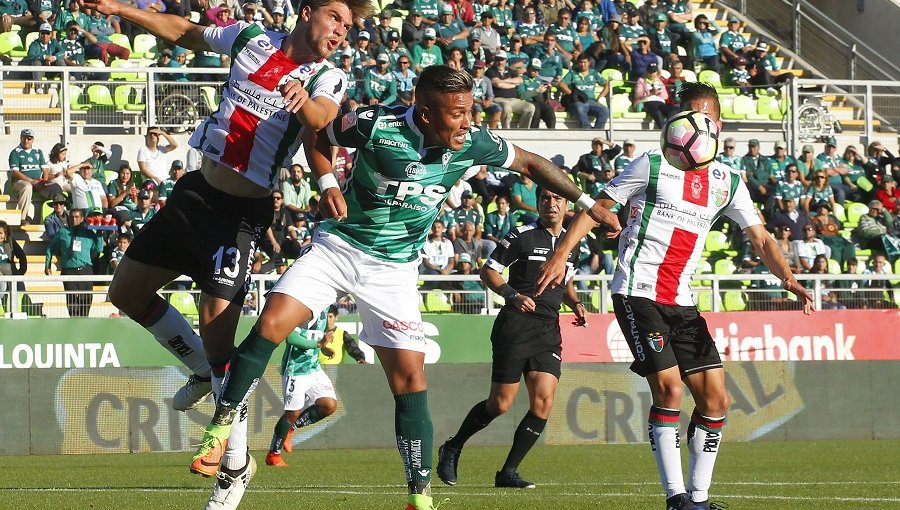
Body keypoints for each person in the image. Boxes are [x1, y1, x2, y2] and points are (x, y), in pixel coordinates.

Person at [193, 65, 620, 510]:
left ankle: (420, 496)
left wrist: (588, 204)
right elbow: (316, 131)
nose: (466, 122)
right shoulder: (377, 124)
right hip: (339, 246)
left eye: (469, 110)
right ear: (424, 111)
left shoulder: (475, 141)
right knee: (270, 326)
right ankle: (221, 428)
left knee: (410, 381)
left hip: (394, 271)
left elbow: (532, 163)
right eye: (456, 114)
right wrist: (325, 182)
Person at [82, 0, 371, 508]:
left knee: (222, 344)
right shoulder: (249, 39)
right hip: (194, 193)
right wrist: (114, 7)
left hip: (240, 216)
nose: (341, 32)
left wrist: (303, 102)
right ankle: (196, 366)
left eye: (349, 26)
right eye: (335, 18)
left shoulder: (326, 76)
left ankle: (233, 468)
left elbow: (321, 118)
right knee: (125, 292)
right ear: (307, 12)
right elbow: (184, 31)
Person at [535, 82, 812, 510]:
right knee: (669, 390)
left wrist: (788, 278)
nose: (693, 125)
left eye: (704, 119)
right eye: (686, 118)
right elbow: (596, 209)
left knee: (716, 399)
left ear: (717, 126)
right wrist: (561, 255)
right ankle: (675, 497)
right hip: (637, 292)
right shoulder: (650, 164)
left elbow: (760, 239)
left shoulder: (730, 181)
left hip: (682, 301)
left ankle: (698, 499)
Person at [437, 187, 587, 489]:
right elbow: (488, 272)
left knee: (543, 402)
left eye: (557, 199)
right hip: (516, 325)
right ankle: (452, 447)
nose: (551, 204)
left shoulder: (573, 244)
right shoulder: (522, 235)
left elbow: (565, 279)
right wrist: (512, 295)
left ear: (567, 204)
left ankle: (508, 472)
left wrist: (576, 303)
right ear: (538, 202)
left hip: (548, 329)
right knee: (501, 403)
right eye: (545, 198)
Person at [265, 310, 338, 467]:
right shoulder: (300, 310)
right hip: (295, 370)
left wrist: (322, 348)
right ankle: (273, 455)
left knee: (329, 405)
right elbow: (291, 338)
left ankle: (291, 428)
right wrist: (318, 344)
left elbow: (317, 336)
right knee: (292, 413)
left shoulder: (324, 311)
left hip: (314, 368)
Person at [45, 208, 104, 317]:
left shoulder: (88, 232)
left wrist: (100, 233)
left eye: (77, 217)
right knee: (71, 299)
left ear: (82, 218)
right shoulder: (63, 232)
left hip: (85, 269)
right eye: (72, 217)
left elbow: (99, 249)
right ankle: (74, 322)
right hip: (69, 270)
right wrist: (47, 264)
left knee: (86, 299)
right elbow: (50, 248)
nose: (74, 219)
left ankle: (84, 321)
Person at [8, 128, 54, 225]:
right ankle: (23, 218)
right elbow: (15, 172)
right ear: (20, 138)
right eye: (24, 138)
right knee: (27, 187)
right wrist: (31, 181)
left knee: (55, 187)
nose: (26, 141)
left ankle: (54, 217)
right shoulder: (15, 152)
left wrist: (44, 182)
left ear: (33, 139)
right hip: (19, 182)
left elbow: (45, 169)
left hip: (37, 182)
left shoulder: (38, 151)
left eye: (29, 138)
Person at [634, 62, 678, 128]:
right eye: (650, 72)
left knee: (675, 109)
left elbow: (665, 96)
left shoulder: (659, 81)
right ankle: (663, 129)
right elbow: (638, 94)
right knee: (657, 112)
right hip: (648, 101)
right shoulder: (641, 81)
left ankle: (668, 126)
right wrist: (651, 92)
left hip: (660, 102)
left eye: (654, 72)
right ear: (647, 72)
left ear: (657, 72)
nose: (652, 74)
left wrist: (659, 93)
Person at [0, 220, 27, 312]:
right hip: (1, 277)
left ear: (6, 233)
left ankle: (18, 313)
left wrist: (20, 272)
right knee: (2, 287)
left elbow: (22, 256)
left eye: (1, 233)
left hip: (12, 275)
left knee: (20, 289)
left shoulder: (11, 242)